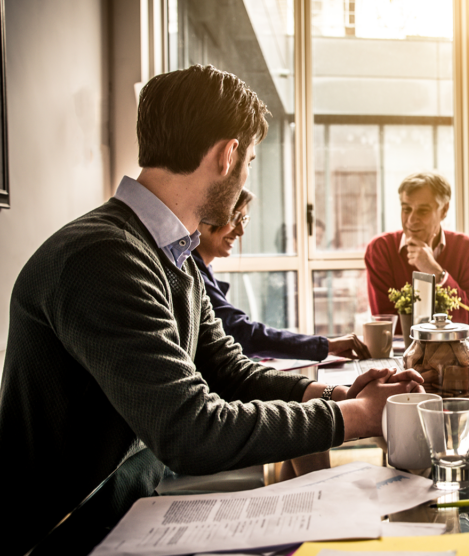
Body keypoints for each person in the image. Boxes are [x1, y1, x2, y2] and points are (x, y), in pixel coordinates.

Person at [0, 65, 423, 554]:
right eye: (251, 160)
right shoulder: (103, 257)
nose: (247, 175)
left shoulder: (167, 253)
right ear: (228, 155)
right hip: (62, 535)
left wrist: (334, 392)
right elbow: (190, 431)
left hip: (124, 518)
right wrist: (357, 417)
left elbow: (226, 370)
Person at [194, 188, 369, 361]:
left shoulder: (203, 269)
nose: (240, 231)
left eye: (243, 220)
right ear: (207, 215)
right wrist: (326, 346)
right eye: (234, 218)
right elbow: (242, 333)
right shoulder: (193, 274)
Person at [365, 172, 469, 333]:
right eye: (406, 209)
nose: (411, 220)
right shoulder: (380, 249)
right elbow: (387, 324)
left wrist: (436, 272)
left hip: (453, 353)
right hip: (402, 354)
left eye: (423, 211)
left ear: (444, 210)